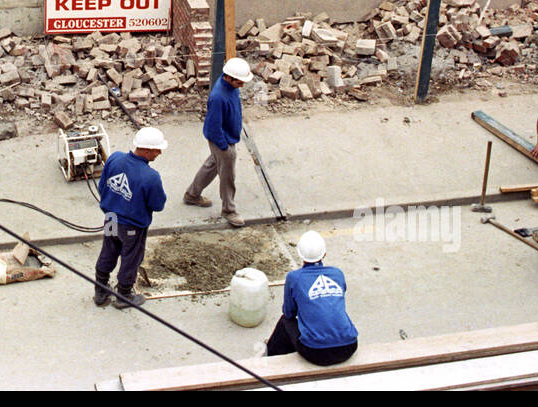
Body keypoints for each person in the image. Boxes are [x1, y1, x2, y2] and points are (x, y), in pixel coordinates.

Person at [94, 126, 168, 309]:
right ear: (146, 150)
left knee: (108, 251)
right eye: (157, 150)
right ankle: (124, 295)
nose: (159, 153)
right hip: (132, 227)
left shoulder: (114, 159)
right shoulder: (151, 177)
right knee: (131, 259)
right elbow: (158, 205)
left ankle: (100, 291)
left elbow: (102, 187)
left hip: (111, 219)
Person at [265, 231, 358, 364]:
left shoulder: (294, 278)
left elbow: (289, 313)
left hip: (315, 352)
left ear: (300, 255)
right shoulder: (337, 273)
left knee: (285, 322)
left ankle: (269, 358)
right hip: (349, 347)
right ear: (324, 254)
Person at [183, 57, 251, 227]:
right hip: (222, 140)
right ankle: (229, 210)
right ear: (229, 77)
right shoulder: (218, 97)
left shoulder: (231, 86)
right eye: (240, 82)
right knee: (228, 177)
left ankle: (192, 194)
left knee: (212, 165)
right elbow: (214, 127)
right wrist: (224, 147)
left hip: (226, 137)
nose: (242, 85)